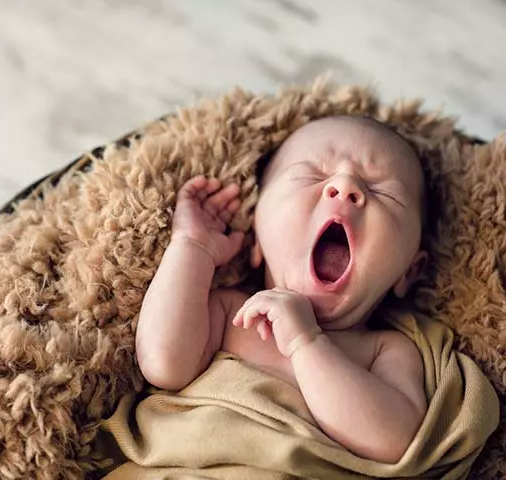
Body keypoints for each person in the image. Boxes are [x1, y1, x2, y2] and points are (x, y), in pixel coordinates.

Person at [135, 116, 430, 464]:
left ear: (410, 270)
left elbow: (394, 440)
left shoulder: (385, 351)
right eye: (313, 176)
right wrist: (190, 246)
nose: (344, 186)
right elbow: (162, 363)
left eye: (382, 191)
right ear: (257, 238)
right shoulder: (232, 316)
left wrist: (306, 343)